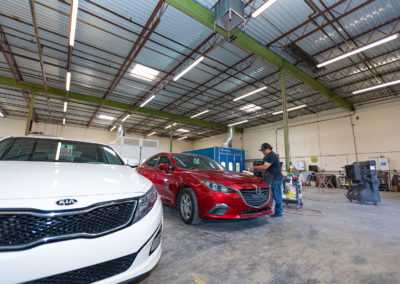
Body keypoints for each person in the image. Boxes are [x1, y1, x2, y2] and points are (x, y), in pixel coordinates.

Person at [249, 143, 284, 217]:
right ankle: (268, 210)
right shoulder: (265, 157)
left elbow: (265, 167)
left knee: (277, 196)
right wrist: (256, 171)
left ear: (269, 148)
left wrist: (255, 167)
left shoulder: (272, 155)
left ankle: (278, 212)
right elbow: (263, 168)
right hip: (269, 179)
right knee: (269, 196)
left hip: (275, 179)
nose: (263, 152)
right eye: (262, 150)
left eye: (264, 150)